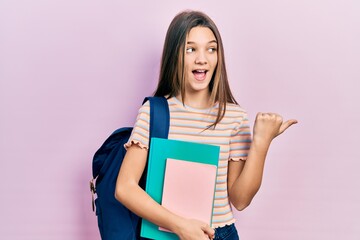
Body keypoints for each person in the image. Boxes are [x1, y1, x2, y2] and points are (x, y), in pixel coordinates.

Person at [115, 10, 297, 240]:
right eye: (191, 49)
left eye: (211, 49)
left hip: (219, 234)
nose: (202, 58)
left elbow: (240, 200)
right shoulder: (154, 112)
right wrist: (180, 225)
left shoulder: (234, 117)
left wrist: (261, 142)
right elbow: (125, 188)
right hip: (166, 233)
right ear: (175, 56)